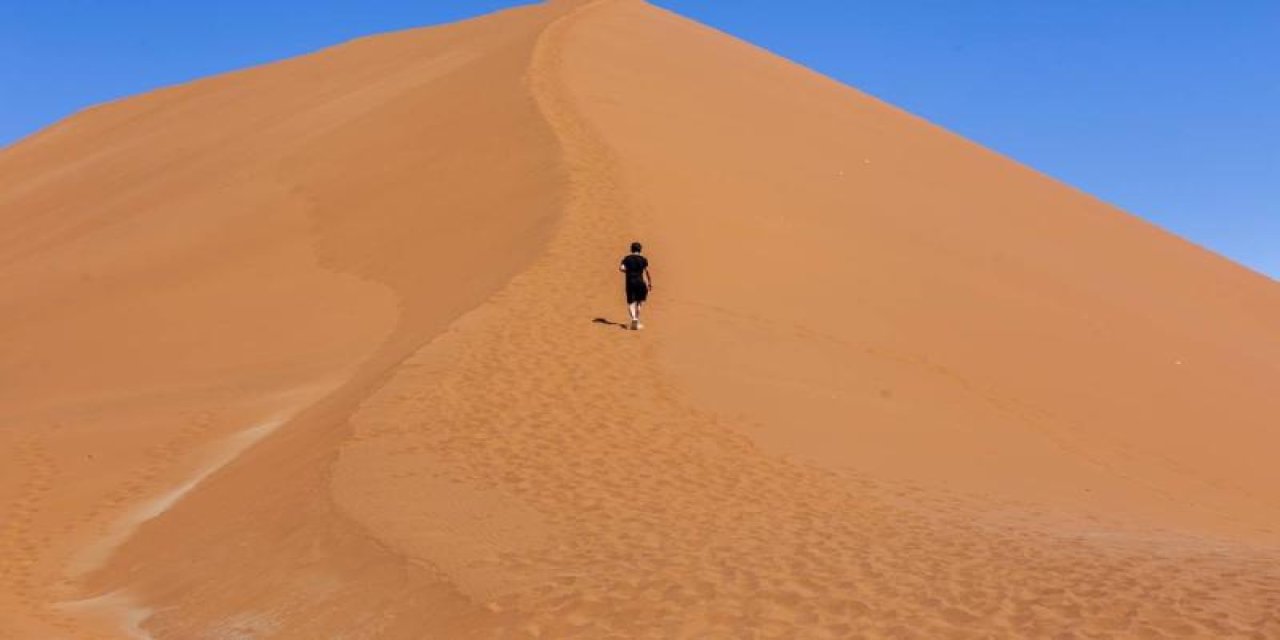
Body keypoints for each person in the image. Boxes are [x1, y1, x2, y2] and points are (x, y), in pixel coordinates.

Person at [619, 241, 652, 330]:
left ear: (631, 249)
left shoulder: (627, 258)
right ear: (640, 250)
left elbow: (621, 268)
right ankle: (637, 320)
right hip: (640, 282)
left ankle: (633, 318)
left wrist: (629, 271)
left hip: (630, 282)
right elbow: (646, 271)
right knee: (639, 301)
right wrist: (649, 283)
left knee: (630, 302)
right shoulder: (643, 259)